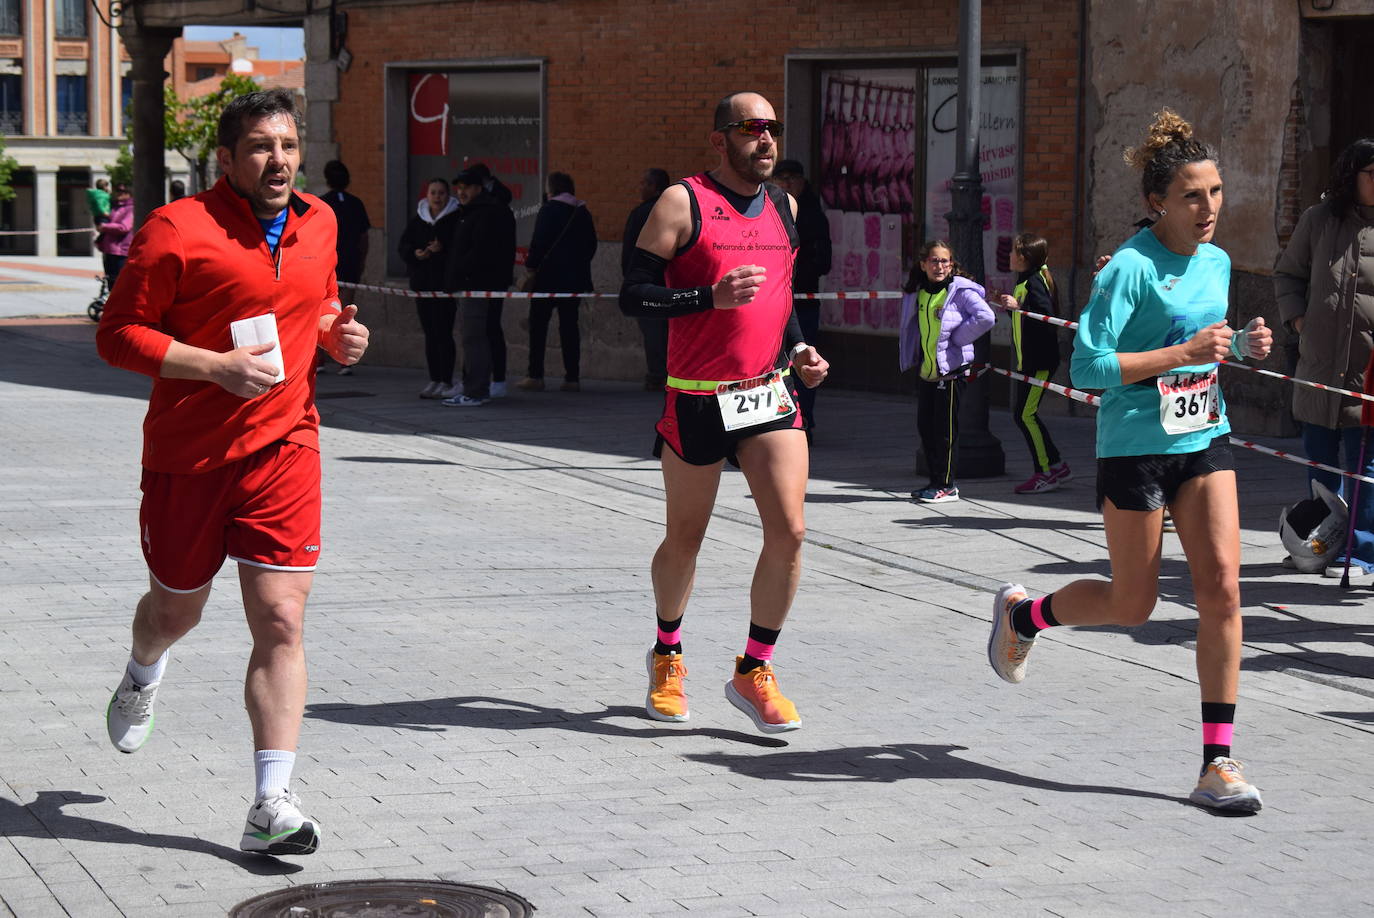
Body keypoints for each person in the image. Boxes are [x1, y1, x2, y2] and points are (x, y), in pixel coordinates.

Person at [94, 89, 370, 854]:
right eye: (258, 146)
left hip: (287, 444)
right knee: (175, 612)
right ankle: (144, 668)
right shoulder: (177, 229)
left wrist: (336, 337)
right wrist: (211, 366)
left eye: (286, 144)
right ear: (226, 159)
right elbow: (117, 336)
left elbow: (314, 309)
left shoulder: (321, 222)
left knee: (281, 617)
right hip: (189, 456)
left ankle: (269, 803)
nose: (277, 159)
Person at [986, 109, 1272, 813]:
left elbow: (1209, 340)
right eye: (1192, 196)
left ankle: (1217, 762)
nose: (1208, 208)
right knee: (1132, 604)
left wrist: (1240, 347)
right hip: (1135, 448)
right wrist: (1185, 354)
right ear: (1158, 203)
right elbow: (1088, 366)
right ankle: (1027, 619)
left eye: (1215, 192)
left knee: (1224, 592)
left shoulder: (1217, 262)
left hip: (1204, 437)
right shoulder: (1130, 270)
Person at [619, 91, 829, 734]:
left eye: (772, 128)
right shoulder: (682, 201)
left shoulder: (786, 207)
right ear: (720, 139)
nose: (765, 139)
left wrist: (799, 348)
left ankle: (754, 667)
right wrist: (705, 297)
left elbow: (783, 297)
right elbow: (632, 295)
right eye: (750, 128)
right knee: (687, 537)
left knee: (790, 531)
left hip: (768, 392)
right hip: (696, 395)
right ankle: (667, 652)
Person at [1274, 137, 1374, 578]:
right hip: (1317, 368)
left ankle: (1364, 551)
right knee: (1318, 467)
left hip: (1367, 374)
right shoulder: (1318, 220)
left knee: (1365, 469)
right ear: (1352, 177)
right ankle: (1318, 542)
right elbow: (1288, 274)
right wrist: (1298, 322)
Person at [898, 240, 996, 503]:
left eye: (944, 261)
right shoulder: (918, 292)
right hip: (928, 370)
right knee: (926, 428)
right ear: (923, 264)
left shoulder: (960, 291)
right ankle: (933, 481)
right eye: (933, 261)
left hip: (951, 371)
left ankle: (947, 484)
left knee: (945, 431)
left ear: (952, 265)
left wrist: (959, 338)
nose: (939, 266)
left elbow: (986, 317)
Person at [993, 232, 1072, 494]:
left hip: (1039, 361)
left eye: (1014, 252)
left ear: (1025, 258)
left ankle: (1045, 473)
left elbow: (1046, 317)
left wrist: (1019, 306)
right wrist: (1012, 305)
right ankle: (1056, 464)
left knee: (1024, 415)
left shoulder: (1035, 281)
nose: (1010, 256)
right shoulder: (1027, 278)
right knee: (1026, 414)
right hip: (1032, 360)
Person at [442, 166, 515, 406]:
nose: (461, 192)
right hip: (470, 285)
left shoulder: (485, 213)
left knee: (475, 338)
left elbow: (480, 252)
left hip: (476, 285)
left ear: (478, 188)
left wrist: (461, 273)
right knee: (472, 336)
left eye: (466, 188)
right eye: (459, 188)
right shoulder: (470, 211)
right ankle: (473, 386)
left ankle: (476, 391)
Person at [518, 171, 597, 392]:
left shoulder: (549, 210)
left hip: (547, 280)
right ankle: (572, 378)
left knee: (538, 326)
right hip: (574, 282)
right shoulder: (582, 212)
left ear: (551, 189)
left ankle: (535, 375)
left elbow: (539, 242)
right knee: (570, 328)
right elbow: (591, 245)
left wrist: (531, 266)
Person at [770, 159, 832, 438]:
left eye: (792, 178)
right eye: (781, 178)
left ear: (802, 181)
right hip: (773, 300)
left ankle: (803, 418)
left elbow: (823, 260)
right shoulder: (770, 208)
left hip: (802, 301)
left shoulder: (812, 214)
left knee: (805, 359)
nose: (786, 183)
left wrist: (790, 276)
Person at [399, 177, 461, 399]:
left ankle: (447, 380)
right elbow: (404, 245)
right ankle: (434, 379)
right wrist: (415, 254)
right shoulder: (419, 220)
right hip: (423, 285)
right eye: (433, 192)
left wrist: (441, 249)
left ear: (448, 195)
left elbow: (459, 250)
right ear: (427, 195)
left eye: (441, 193)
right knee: (430, 334)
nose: (437, 197)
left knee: (444, 332)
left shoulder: (455, 219)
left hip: (444, 287)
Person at [321, 160, 372, 377]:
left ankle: (321, 360)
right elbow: (364, 238)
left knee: (323, 312)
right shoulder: (356, 203)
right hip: (350, 264)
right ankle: (345, 362)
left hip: (327, 265)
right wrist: (361, 262)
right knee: (345, 312)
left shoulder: (322, 204)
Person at [622, 168, 671, 390]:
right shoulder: (679, 210)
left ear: (656, 187)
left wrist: (632, 282)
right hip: (674, 283)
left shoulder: (641, 213)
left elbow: (630, 252)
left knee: (653, 333)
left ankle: (657, 376)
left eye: (645, 183)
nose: (641, 187)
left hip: (650, 284)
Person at [95, 184, 133, 289]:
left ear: (129, 194)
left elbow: (124, 227)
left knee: (120, 285)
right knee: (110, 284)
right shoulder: (114, 206)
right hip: (108, 250)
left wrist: (104, 227)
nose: (119, 194)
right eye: (118, 191)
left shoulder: (131, 208)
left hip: (121, 251)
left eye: (123, 192)